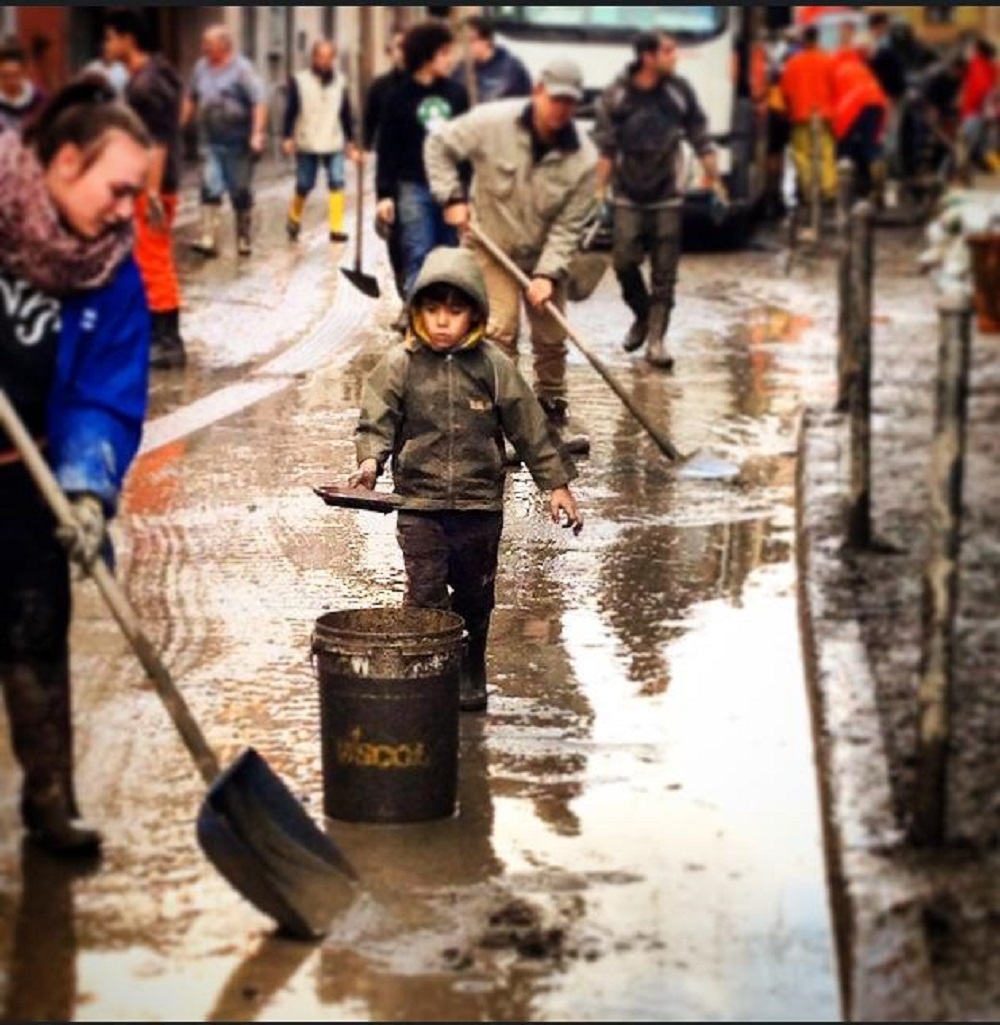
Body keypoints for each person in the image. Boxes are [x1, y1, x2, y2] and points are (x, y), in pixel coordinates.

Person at [0, 79, 152, 855]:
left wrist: (89, 487)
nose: (129, 209)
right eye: (119, 188)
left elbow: (106, 391)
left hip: (28, 482)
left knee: (34, 632)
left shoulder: (110, 273)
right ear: (64, 160)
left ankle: (49, 799)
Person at [349, 246, 582, 712]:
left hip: (479, 508)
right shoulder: (401, 364)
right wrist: (370, 462)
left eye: (454, 312)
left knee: (475, 596)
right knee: (424, 595)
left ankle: (472, 660)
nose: (441, 322)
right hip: (420, 506)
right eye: (433, 310)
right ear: (418, 311)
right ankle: (431, 671)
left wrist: (556, 484)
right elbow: (377, 419)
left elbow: (529, 427)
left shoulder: (492, 366)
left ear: (474, 313)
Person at [424, 57, 597, 455]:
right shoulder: (491, 123)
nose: (560, 109)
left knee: (552, 338)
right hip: (491, 245)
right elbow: (439, 145)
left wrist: (548, 274)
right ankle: (497, 429)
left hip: (542, 254)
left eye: (569, 103)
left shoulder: (582, 160)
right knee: (499, 333)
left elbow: (570, 226)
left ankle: (551, 422)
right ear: (538, 92)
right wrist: (451, 196)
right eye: (555, 99)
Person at [593, 31, 719, 370]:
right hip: (628, 195)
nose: (675, 56)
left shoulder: (679, 92)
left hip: (667, 195)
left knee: (665, 271)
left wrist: (716, 180)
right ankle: (642, 314)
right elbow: (606, 146)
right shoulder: (617, 94)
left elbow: (700, 134)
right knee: (623, 263)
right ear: (648, 57)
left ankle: (657, 342)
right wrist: (597, 192)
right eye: (668, 51)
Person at [103, 7, 186, 371]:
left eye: (109, 37)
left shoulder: (145, 84)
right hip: (155, 182)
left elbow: (158, 140)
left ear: (127, 39)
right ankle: (158, 335)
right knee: (150, 257)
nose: (105, 44)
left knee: (153, 258)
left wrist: (150, 192)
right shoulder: (156, 73)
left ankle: (167, 341)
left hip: (153, 185)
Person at [376, 20, 469, 303]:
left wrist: (466, 195)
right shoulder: (397, 98)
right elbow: (387, 149)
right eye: (444, 53)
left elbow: (467, 146)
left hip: (450, 191)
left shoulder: (457, 94)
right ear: (427, 55)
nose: (451, 59)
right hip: (412, 188)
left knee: (450, 258)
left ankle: (446, 322)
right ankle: (419, 325)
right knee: (417, 253)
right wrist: (385, 194)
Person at [181, 25, 267, 258]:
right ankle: (208, 238)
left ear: (223, 45)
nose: (203, 48)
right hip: (210, 139)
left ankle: (243, 238)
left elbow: (259, 101)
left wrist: (257, 133)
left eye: (208, 44)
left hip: (238, 141)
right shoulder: (201, 67)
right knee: (210, 184)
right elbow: (190, 96)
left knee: (239, 190)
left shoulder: (242, 69)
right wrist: (180, 123)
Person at [282, 38, 359, 244]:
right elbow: (291, 110)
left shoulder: (340, 81)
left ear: (333, 59)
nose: (324, 61)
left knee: (337, 180)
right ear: (314, 58)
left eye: (328, 57)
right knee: (305, 183)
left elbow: (346, 113)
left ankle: (336, 228)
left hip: (333, 139)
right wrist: (287, 136)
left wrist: (351, 140)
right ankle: (294, 217)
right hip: (308, 140)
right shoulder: (300, 80)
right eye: (320, 57)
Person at [364, 29, 408, 299]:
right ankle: (405, 292)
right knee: (395, 234)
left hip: (424, 172)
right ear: (389, 52)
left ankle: (419, 297)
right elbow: (369, 123)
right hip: (391, 168)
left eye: (406, 47)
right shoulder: (381, 87)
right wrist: (361, 147)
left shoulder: (431, 86)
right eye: (396, 48)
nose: (401, 53)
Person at [780, 24, 837, 215]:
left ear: (804, 40)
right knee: (825, 153)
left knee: (803, 155)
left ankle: (809, 190)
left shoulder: (793, 63)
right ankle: (828, 191)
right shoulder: (827, 61)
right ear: (818, 38)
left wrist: (789, 110)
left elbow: (785, 91)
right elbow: (835, 87)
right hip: (824, 116)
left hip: (800, 116)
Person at [831, 57, 888, 200]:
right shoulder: (862, 67)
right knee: (871, 145)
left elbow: (836, 98)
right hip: (876, 102)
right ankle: (878, 183)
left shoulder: (838, 70)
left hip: (853, 105)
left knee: (845, 147)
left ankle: (846, 188)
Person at [452, 15, 531, 104]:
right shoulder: (460, 70)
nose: (466, 46)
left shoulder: (512, 69)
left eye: (471, 40)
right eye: (462, 41)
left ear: (487, 40)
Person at [0, 39, 47, 134]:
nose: (10, 81)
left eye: (15, 75)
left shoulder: (38, 98)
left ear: (24, 73)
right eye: (5, 76)